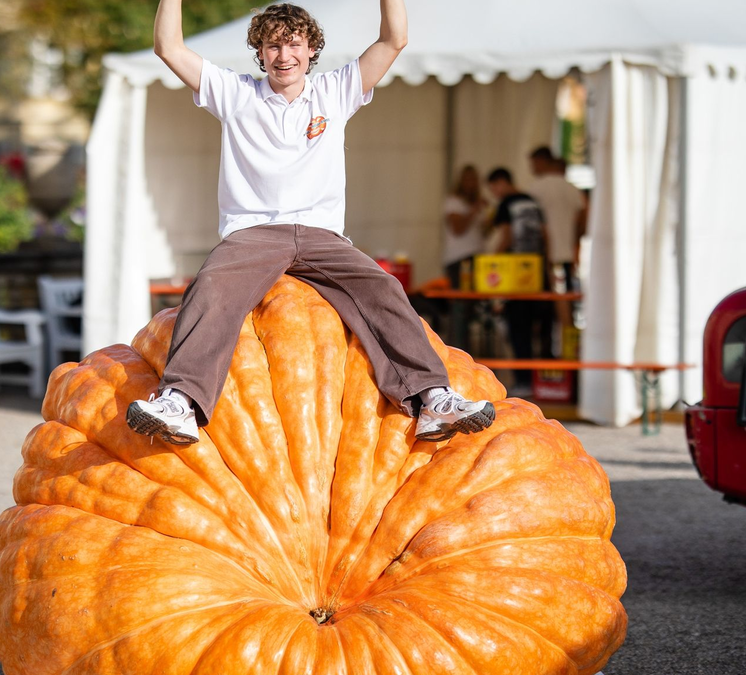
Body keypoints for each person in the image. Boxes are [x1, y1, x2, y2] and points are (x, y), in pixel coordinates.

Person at [125, 0, 495, 445]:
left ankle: (432, 399)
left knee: (382, 288)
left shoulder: (335, 91)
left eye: (293, 44)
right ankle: (179, 402)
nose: (284, 56)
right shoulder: (235, 93)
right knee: (212, 287)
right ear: (259, 53)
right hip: (254, 233)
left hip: (322, 236)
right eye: (273, 46)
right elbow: (168, 47)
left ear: (311, 48)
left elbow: (393, 40)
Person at [488, 167, 550, 396]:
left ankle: (523, 381)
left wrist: (491, 261)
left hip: (514, 273)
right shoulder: (532, 202)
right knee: (540, 329)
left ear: (501, 182)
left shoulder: (506, 205)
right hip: (535, 270)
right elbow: (545, 234)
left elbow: (507, 236)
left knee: (518, 329)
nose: (494, 192)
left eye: (494, 187)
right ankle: (544, 383)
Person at [526, 147, 586, 334]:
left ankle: (551, 353)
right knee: (565, 303)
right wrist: (575, 242)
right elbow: (583, 217)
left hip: (546, 256)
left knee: (548, 307)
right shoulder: (573, 189)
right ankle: (567, 352)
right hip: (566, 254)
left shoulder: (537, 188)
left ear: (542, 162)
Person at [441, 164, 489, 288]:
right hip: (460, 258)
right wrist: (474, 210)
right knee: (462, 299)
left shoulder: (476, 203)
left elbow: (484, 233)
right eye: (468, 179)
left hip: (478, 256)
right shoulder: (454, 202)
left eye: (474, 179)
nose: (471, 183)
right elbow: (458, 229)